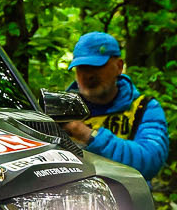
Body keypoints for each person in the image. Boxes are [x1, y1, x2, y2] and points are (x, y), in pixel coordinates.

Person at [61, 31, 169, 181]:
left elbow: (149, 162)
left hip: (129, 194)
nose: (88, 75)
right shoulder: (61, 111)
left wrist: (86, 134)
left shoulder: (144, 108)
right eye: (82, 68)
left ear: (119, 66)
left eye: (96, 67)